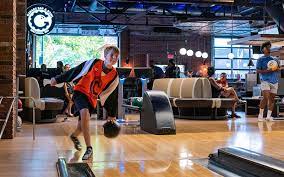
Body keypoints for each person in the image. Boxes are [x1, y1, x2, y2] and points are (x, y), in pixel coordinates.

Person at [50, 46, 120, 160]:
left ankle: (74, 136)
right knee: (85, 114)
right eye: (112, 55)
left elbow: (112, 95)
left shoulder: (114, 76)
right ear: (105, 56)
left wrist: (112, 114)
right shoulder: (94, 63)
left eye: (116, 56)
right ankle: (89, 148)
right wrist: (57, 79)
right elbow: (75, 70)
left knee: (82, 126)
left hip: (92, 98)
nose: (114, 58)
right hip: (80, 92)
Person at [257, 41, 280, 122]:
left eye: (270, 47)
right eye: (267, 47)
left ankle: (268, 117)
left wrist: (276, 69)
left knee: (272, 99)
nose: (269, 48)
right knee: (266, 98)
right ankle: (260, 115)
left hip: (274, 81)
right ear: (263, 49)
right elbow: (258, 71)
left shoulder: (275, 59)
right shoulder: (260, 59)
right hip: (265, 80)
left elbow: (278, 69)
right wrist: (267, 71)